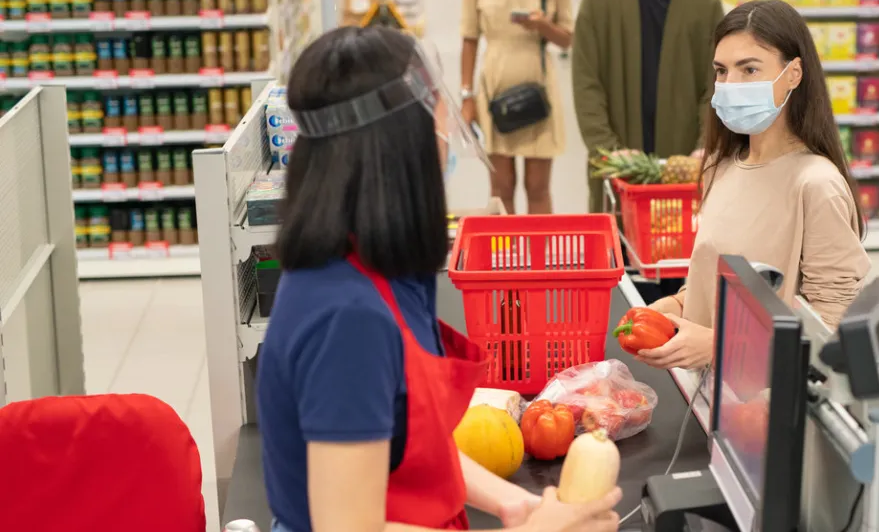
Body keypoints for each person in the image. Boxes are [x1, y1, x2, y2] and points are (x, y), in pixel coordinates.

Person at [256, 27, 621, 532]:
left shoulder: (380, 267)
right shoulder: (348, 320)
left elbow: (410, 443)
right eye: (438, 114)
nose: (447, 134)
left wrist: (511, 502)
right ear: (402, 146)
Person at [636, 0, 871, 371]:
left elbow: (830, 330)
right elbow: (716, 282)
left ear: (793, 74)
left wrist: (719, 347)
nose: (730, 85)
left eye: (749, 69)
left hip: (761, 408)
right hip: (704, 395)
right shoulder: (720, 166)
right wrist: (678, 305)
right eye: (722, 71)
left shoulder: (816, 185)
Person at [572, 0, 724, 213]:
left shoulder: (706, 6)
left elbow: (714, 88)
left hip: (683, 175)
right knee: (617, 247)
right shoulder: (598, 0)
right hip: (618, 176)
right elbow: (587, 86)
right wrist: (608, 150)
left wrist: (705, 146)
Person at [461, 0, 574, 215]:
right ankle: (505, 256)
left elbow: (566, 39)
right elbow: (469, 38)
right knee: (501, 187)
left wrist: (542, 26)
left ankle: (539, 256)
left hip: (539, 86)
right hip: (494, 87)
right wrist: (466, 95)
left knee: (538, 187)